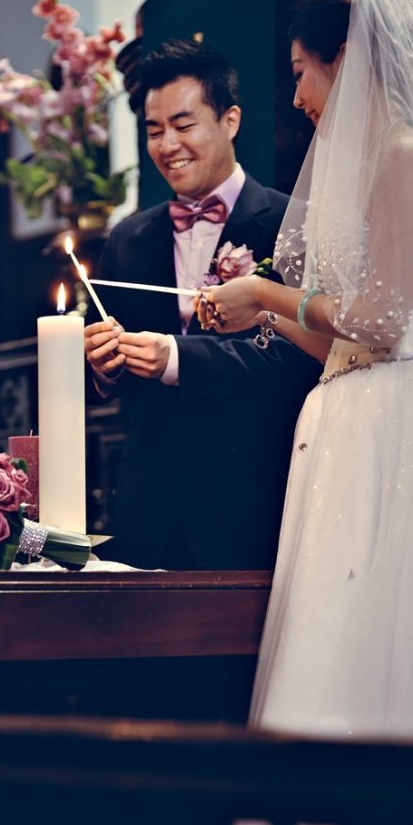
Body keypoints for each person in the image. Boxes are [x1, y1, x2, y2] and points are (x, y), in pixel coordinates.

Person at [196, 0, 413, 737]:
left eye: (301, 71)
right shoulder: (358, 171)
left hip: (399, 416)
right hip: (344, 417)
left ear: (346, 60)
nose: (296, 95)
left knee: (389, 632)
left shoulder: (407, 154)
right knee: (336, 626)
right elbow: (338, 338)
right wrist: (249, 315)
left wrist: (265, 296)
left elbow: (384, 323)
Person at [85, 39, 321, 570]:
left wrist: (176, 359)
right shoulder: (127, 240)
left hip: (256, 504)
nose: (168, 145)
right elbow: (92, 374)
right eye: (153, 130)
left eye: (184, 125)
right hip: (149, 513)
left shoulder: (293, 225)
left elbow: (308, 360)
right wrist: (98, 366)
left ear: (230, 120)